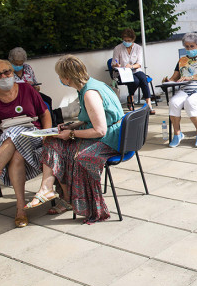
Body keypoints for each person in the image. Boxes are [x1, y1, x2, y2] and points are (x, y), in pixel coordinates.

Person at [25, 55, 124, 224]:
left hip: (110, 139)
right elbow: (93, 117)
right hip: (113, 132)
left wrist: (71, 134)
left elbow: (99, 130)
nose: (59, 79)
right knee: (53, 142)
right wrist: (72, 126)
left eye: (60, 76)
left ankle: (66, 198)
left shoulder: (90, 94)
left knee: (66, 151)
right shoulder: (91, 84)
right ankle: (49, 190)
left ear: (67, 77)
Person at [0, 59, 52, 228]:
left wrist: (46, 135)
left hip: (33, 135)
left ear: (13, 73)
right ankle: (21, 209)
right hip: (4, 142)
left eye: (7, 72)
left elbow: (45, 114)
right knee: (17, 155)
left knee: (17, 132)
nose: (4, 76)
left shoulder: (27, 89)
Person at [162, 32, 197, 148]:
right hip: (186, 89)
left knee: (190, 102)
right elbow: (174, 77)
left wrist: (191, 77)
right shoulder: (182, 60)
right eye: (187, 46)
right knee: (174, 102)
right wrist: (167, 81)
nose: (189, 49)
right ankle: (177, 134)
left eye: (192, 46)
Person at [112, 28, 155, 114]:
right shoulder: (118, 48)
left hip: (135, 70)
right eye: (125, 40)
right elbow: (114, 63)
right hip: (123, 72)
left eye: (129, 40)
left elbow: (139, 64)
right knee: (135, 81)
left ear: (133, 40)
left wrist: (131, 66)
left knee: (143, 78)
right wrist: (117, 65)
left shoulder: (138, 48)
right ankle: (130, 97)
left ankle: (148, 104)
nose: (126, 42)